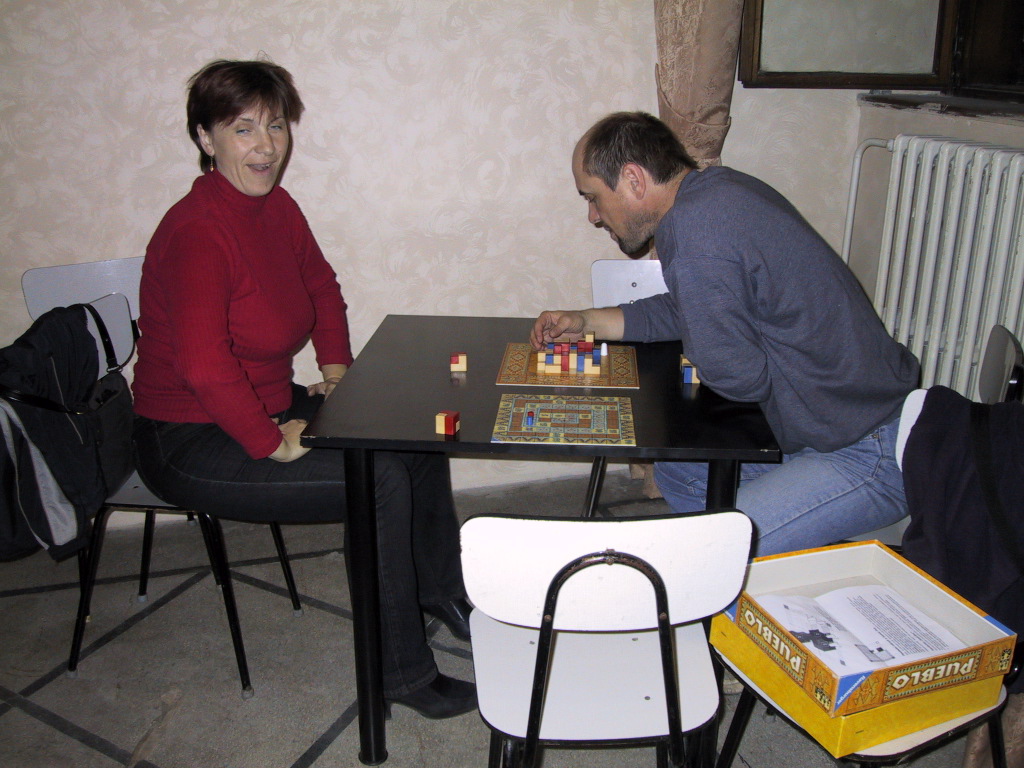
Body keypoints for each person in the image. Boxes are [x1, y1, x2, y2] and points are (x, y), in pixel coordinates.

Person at [131, 59, 475, 718]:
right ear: (205, 138)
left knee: (416, 436)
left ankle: (440, 593)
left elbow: (320, 286)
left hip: (267, 400)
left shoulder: (277, 207)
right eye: (243, 129)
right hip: (187, 435)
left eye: (276, 126)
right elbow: (203, 365)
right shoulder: (198, 230)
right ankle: (402, 675)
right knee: (378, 481)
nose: (266, 146)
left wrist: (337, 374)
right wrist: (272, 443)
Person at [532, 111, 920, 557]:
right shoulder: (716, 192)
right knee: (679, 471)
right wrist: (587, 321)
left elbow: (740, 379)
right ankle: (776, 543)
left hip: (871, 451)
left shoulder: (697, 231)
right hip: (832, 427)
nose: (593, 216)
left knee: (710, 552)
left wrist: (703, 341)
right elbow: (685, 307)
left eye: (594, 197)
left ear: (634, 180)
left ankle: (757, 553)